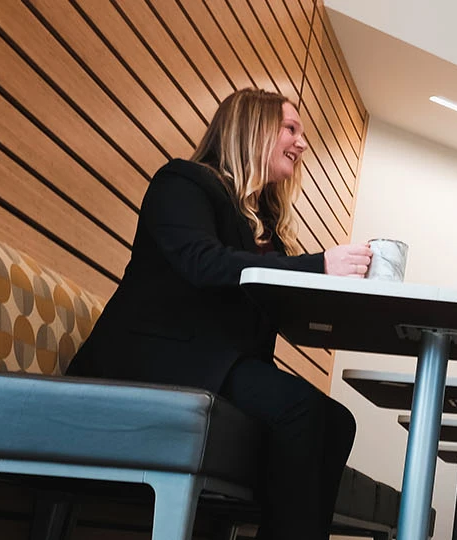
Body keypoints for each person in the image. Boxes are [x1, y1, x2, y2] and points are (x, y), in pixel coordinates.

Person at [67, 88, 372, 539]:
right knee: (304, 414)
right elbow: (202, 262)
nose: (301, 143)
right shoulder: (183, 183)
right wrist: (319, 263)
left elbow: (267, 298)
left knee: (337, 421)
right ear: (253, 128)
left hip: (211, 364)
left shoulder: (263, 227)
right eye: (291, 128)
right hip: (152, 360)